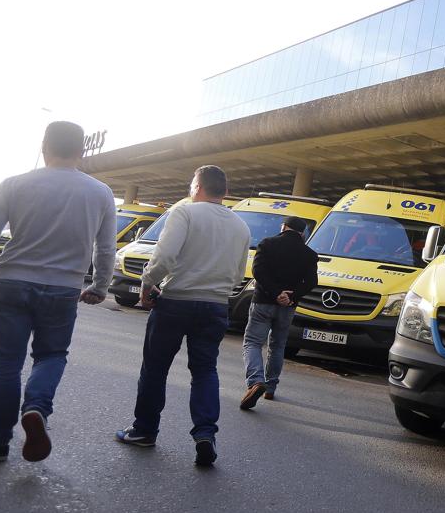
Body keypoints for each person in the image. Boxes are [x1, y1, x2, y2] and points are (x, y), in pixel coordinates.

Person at [0, 121, 116, 463]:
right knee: (52, 356)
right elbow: (105, 249)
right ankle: (37, 408)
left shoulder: (14, 184)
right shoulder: (100, 192)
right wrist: (100, 286)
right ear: (82, 150)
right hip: (64, 289)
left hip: (11, 282)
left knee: (4, 367)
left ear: (45, 146)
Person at [114, 166, 250, 467]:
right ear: (224, 191)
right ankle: (205, 434)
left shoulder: (185, 213)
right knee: (204, 371)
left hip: (176, 302)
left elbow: (164, 256)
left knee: (155, 369)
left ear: (197, 187)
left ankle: (144, 431)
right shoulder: (241, 226)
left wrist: (147, 285)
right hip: (215, 306)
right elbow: (239, 273)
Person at [239, 215, 318, 409]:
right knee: (278, 345)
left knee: (252, 343)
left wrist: (275, 293)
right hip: (287, 307)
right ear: (302, 233)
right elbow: (311, 282)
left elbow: (258, 272)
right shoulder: (309, 254)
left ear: (284, 227)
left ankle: (256, 381)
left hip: (263, 302)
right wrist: (290, 296)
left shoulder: (267, 244)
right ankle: (270, 388)